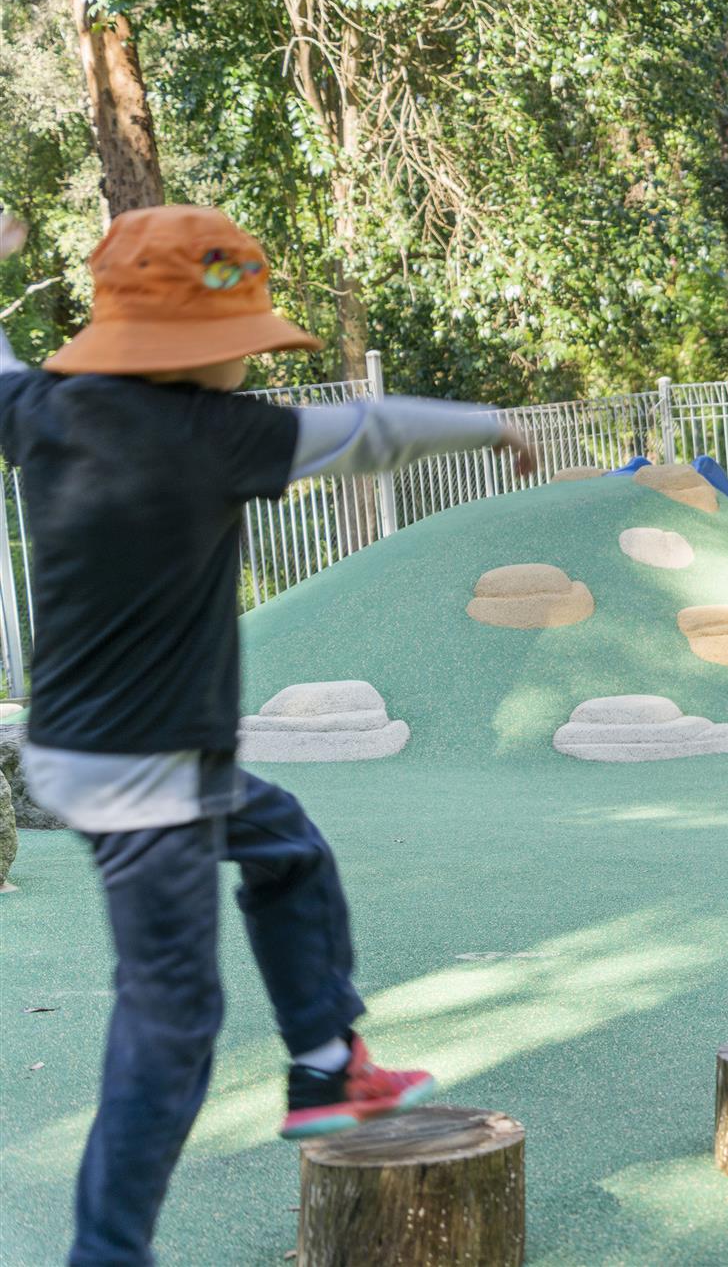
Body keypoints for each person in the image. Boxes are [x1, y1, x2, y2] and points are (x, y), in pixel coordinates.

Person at [0, 206, 538, 1267]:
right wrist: (491, 424)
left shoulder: (44, 407)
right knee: (173, 1018)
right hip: (150, 769)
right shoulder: (219, 435)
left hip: (88, 752)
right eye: (240, 345)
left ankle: (326, 1061)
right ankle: (107, 1252)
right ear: (197, 350)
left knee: (286, 845)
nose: (249, 364)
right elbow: (370, 433)